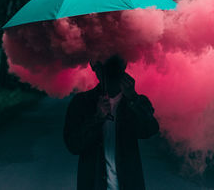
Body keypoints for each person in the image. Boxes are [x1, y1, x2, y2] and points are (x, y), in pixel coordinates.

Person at [63, 54, 159, 190]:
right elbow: (73, 145)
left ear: (123, 65)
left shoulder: (135, 101)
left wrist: (133, 99)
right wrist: (97, 118)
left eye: (113, 64)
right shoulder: (81, 102)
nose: (109, 71)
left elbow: (150, 130)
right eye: (102, 65)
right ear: (93, 66)